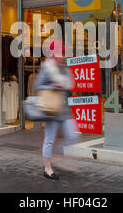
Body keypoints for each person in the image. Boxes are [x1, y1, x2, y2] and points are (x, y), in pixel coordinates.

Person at [36, 39, 77, 180]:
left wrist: (64, 85)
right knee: (49, 139)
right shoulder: (47, 68)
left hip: (63, 109)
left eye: (64, 54)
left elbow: (70, 84)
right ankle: (47, 168)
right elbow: (38, 86)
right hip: (51, 108)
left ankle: (57, 156)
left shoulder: (64, 68)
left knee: (72, 135)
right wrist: (52, 86)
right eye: (61, 54)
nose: (63, 57)